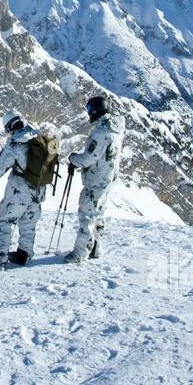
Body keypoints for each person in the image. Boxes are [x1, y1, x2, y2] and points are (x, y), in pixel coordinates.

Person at [0, 109, 45, 270]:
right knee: (28, 223)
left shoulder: (15, 144)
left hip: (19, 190)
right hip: (39, 189)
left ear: (9, 128)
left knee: (4, 222)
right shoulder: (37, 136)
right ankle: (24, 255)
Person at [64, 96, 121, 263]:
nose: (89, 114)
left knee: (87, 216)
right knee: (99, 215)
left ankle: (80, 253)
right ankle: (96, 248)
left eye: (90, 110)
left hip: (96, 180)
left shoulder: (101, 133)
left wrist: (74, 159)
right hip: (109, 179)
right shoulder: (115, 130)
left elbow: (89, 158)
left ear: (96, 110)